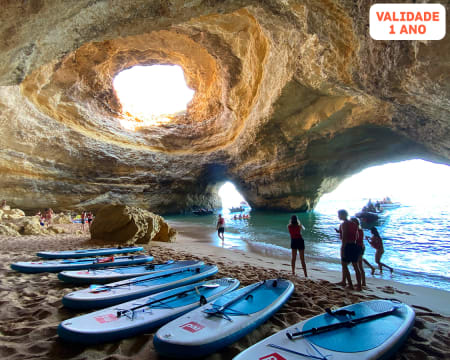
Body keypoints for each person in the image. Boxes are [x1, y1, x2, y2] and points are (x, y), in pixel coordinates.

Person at [335, 209, 362, 291]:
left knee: (344, 265)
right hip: (354, 245)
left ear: (343, 215)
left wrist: (342, 249)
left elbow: (344, 237)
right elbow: (357, 236)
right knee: (356, 266)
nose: (338, 216)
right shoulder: (354, 224)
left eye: (339, 215)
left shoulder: (344, 224)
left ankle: (350, 284)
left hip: (347, 246)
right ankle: (359, 286)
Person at [351, 217, 374, 287]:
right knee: (360, 266)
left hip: (357, 248)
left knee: (357, 266)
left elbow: (355, 240)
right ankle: (363, 282)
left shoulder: (356, 230)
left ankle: (360, 283)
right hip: (361, 247)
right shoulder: (360, 229)